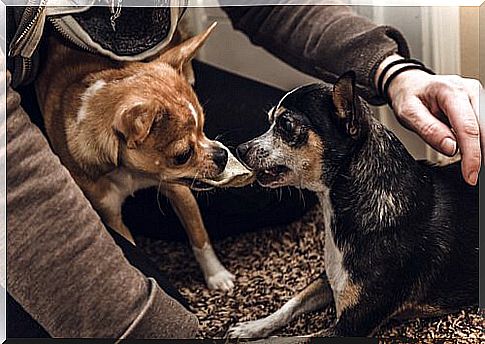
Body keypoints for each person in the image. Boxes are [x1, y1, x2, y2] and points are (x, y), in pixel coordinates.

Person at [5, 3, 482, 339]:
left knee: (254, 189)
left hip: (152, 89)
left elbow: (269, 5)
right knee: (150, 321)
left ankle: (152, 192)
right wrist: (131, 317)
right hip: (25, 129)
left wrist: (392, 70)